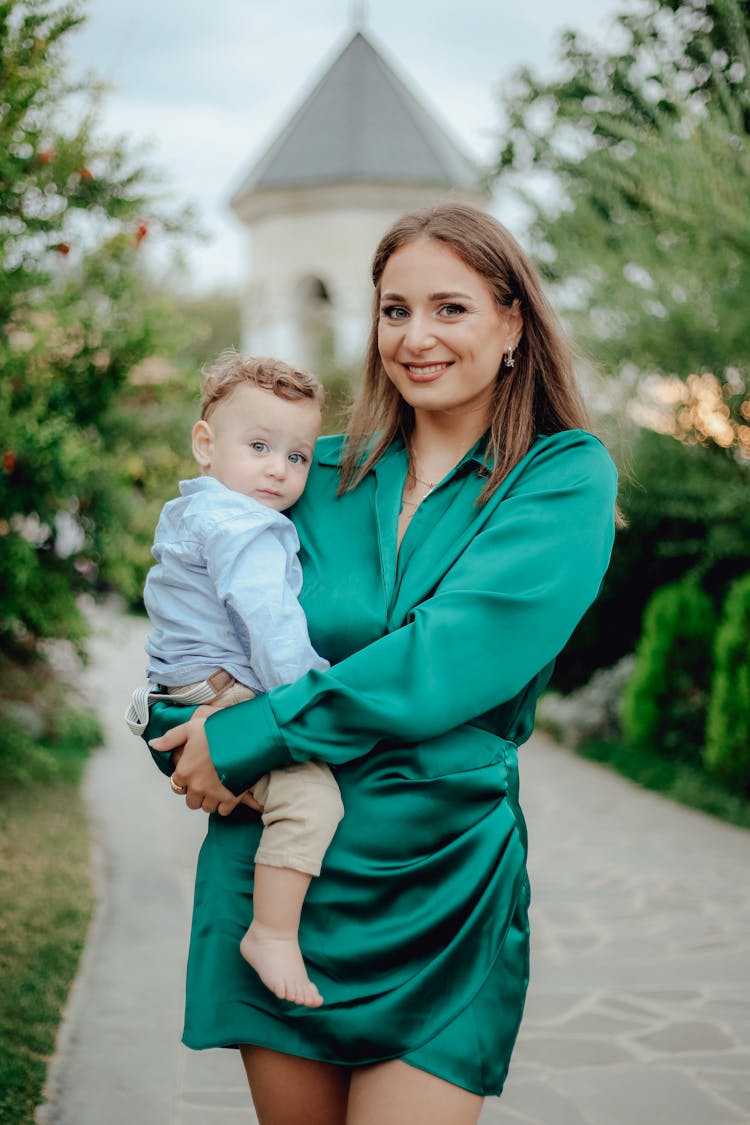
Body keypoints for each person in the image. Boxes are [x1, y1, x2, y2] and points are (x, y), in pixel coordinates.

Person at [146, 202, 618, 1125]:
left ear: (513, 321)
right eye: (394, 309)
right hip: (282, 883)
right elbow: (191, 620)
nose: (415, 336)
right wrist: (177, 735)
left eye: (450, 308)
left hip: (440, 884)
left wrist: (255, 732)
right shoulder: (303, 476)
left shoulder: (562, 476)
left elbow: (444, 659)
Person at [128, 352, 344, 1008]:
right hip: (223, 697)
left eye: (298, 455)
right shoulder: (244, 526)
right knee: (314, 800)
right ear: (205, 443)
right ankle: (272, 934)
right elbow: (271, 625)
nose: (279, 468)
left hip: (179, 695)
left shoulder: (193, 509)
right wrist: (322, 695)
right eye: (258, 446)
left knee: (265, 798)